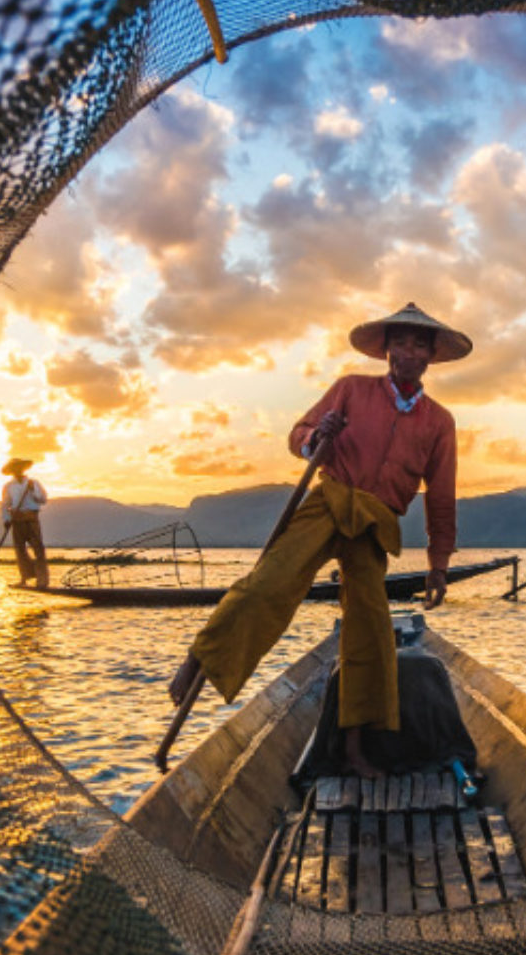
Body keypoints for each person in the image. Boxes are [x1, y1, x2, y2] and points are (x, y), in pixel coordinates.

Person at [168, 301, 472, 777]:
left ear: (430, 356)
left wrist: (438, 564)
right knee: (272, 583)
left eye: (418, 344)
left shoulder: (439, 421)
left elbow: (442, 496)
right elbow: (298, 434)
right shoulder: (352, 389)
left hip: (374, 522)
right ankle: (200, 657)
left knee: (370, 632)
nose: (408, 352)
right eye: (400, 342)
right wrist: (317, 438)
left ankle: (354, 749)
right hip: (329, 499)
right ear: (387, 350)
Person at [1, 458, 49, 589]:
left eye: (19, 468)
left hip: (32, 518)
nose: (17, 470)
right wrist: (6, 520)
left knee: (38, 549)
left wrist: (33, 491)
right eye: (14, 469)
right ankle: (25, 578)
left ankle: (42, 580)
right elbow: (5, 505)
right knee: (20, 550)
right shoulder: (8, 486)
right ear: (11, 471)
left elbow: (43, 500)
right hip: (17, 519)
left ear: (23, 469)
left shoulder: (33, 483)